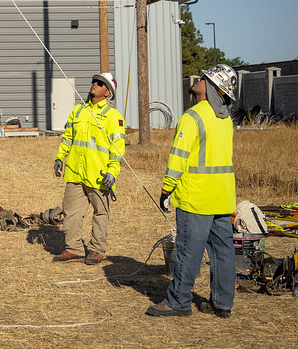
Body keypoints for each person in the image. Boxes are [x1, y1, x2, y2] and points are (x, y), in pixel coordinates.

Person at [146, 63, 238, 318]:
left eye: (204, 78)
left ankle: (178, 302)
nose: (198, 79)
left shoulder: (192, 116)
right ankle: (222, 303)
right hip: (222, 197)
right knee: (223, 252)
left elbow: (178, 158)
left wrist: (166, 190)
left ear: (210, 87)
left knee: (189, 251)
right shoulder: (225, 119)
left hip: (195, 198)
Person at [52, 72, 125, 264]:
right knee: (71, 212)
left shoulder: (113, 116)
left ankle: (96, 250)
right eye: (94, 81)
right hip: (76, 172)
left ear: (108, 92)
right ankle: (73, 249)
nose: (94, 84)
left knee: (101, 213)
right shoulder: (78, 111)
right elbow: (68, 138)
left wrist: (112, 172)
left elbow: (117, 149)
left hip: (98, 175)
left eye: (100, 83)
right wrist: (60, 157)